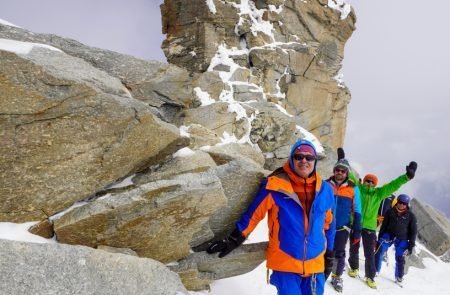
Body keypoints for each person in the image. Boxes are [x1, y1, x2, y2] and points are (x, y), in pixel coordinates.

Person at [207, 139, 336, 295]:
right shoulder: (274, 185)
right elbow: (253, 215)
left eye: (309, 157)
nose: (304, 160)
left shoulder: (325, 190)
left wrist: (329, 254)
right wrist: (234, 239)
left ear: (314, 161)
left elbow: (329, 224)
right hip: (285, 263)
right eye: (299, 156)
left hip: (315, 265)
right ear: (291, 159)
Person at [338, 148, 418, 289]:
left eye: (371, 181)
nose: (369, 183)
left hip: (369, 227)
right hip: (356, 224)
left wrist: (407, 176)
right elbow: (349, 174)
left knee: (370, 253)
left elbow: (394, 184)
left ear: (375, 184)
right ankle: (354, 268)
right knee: (353, 248)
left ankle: (370, 276)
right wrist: (342, 161)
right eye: (367, 180)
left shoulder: (379, 193)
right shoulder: (359, 189)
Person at [325, 158, 362, 293]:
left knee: (339, 254)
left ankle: (336, 276)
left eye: (343, 170)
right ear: (334, 171)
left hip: (342, 227)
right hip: (325, 226)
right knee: (321, 251)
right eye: (337, 170)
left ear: (347, 173)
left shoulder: (353, 188)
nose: (339, 172)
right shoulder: (325, 184)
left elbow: (357, 210)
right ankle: (319, 273)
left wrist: (357, 230)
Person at [375, 194, 417, 283]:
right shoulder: (390, 211)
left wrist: (411, 245)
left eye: (404, 203)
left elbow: (413, 231)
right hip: (389, 234)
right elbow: (384, 225)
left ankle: (399, 277)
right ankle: (375, 270)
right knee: (379, 249)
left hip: (402, 238)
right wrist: (380, 237)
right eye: (400, 202)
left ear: (407, 204)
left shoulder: (411, 216)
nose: (402, 205)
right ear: (397, 202)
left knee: (400, 257)